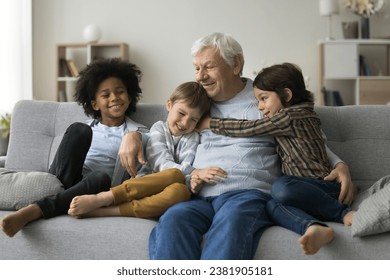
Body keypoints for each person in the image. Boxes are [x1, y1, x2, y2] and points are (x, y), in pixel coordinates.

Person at [117, 32, 354, 260]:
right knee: (174, 220)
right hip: (198, 195)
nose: (200, 76)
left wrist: (339, 164)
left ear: (236, 64)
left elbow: (308, 136)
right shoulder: (199, 101)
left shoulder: (264, 99)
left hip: (247, 194)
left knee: (231, 223)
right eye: (196, 68)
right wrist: (133, 134)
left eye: (208, 66)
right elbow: (168, 127)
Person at [198, 62, 355, 255]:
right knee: (271, 204)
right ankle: (313, 227)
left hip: (320, 186)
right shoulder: (303, 113)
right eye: (258, 101)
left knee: (281, 186)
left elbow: (249, 128)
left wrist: (211, 123)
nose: (261, 107)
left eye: (264, 99)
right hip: (304, 193)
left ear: (286, 95)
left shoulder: (289, 117)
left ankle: (343, 213)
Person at [1, 58, 147, 237]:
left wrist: (135, 136)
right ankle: (54, 199)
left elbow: (146, 158)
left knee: (100, 177)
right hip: (64, 180)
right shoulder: (84, 128)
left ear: (130, 96)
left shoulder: (138, 132)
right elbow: (64, 161)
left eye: (120, 92)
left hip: (95, 188)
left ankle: (35, 209)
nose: (114, 98)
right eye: (105, 95)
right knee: (80, 130)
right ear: (95, 104)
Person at [67, 81, 226, 219]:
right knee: (174, 174)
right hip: (139, 187)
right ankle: (105, 197)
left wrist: (193, 183)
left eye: (193, 119)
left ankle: (105, 212)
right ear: (169, 105)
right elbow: (161, 163)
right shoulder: (158, 129)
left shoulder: (192, 137)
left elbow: (184, 173)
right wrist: (194, 172)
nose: (185, 123)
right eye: (181, 113)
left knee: (182, 192)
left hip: (159, 197)